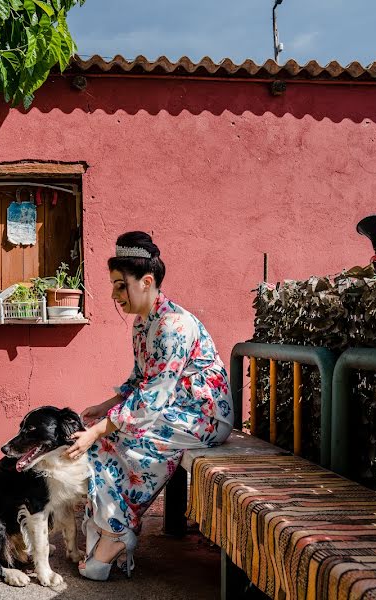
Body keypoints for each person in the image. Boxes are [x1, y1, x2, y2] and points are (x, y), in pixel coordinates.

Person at [65, 231, 235, 581]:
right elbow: (139, 381)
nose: (114, 295)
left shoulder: (173, 326)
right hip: (173, 410)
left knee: (111, 441)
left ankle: (114, 536)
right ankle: (111, 533)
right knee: (105, 440)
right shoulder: (145, 323)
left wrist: (100, 427)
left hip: (204, 416)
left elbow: (152, 396)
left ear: (146, 281)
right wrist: (105, 406)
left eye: (119, 286)